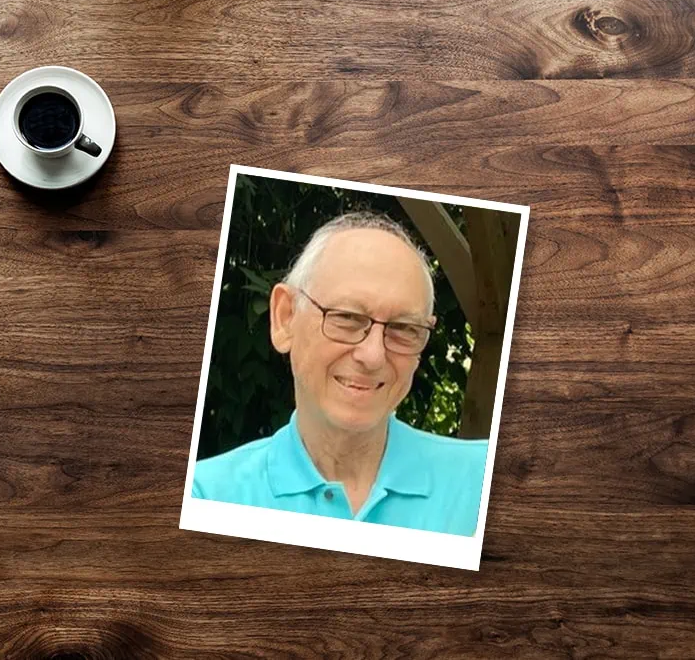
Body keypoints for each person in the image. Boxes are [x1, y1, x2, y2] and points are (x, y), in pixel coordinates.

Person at [192, 212, 489, 536]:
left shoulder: (484, 481)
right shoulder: (205, 497)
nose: (373, 355)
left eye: (404, 328)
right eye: (347, 317)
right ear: (285, 318)